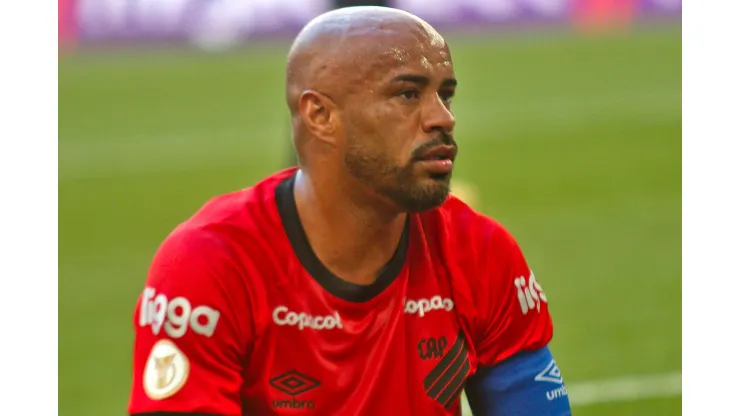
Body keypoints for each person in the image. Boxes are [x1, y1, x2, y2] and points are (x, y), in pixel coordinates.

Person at [127, 6, 572, 416]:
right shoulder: (210, 264)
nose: (442, 118)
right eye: (407, 94)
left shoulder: (479, 251)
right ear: (320, 115)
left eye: (446, 95)